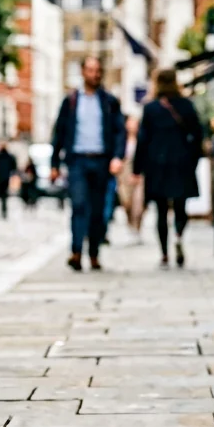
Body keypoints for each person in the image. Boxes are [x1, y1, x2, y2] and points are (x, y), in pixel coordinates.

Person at [51, 56, 127, 272]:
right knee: (79, 205)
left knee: (97, 209)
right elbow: (59, 132)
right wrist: (54, 163)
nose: (94, 74)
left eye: (97, 70)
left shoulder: (109, 102)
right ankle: (76, 251)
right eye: (90, 70)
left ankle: (93, 252)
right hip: (77, 161)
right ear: (83, 72)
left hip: (102, 161)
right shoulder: (71, 101)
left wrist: (117, 157)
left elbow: (119, 131)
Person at [134, 69, 205, 268]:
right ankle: (179, 235)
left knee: (161, 210)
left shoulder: (150, 109)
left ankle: (165, 253)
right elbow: (198, 134)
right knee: (181, 207)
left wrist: (137, 169)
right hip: (182, 163)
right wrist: (194, 159)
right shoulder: (186, 106)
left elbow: (143, 140)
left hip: (157, 165)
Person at [119, 115, 147, 242]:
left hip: (139, 173)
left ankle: (137, 228)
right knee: (126, 202)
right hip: (124, 173)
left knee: (138, 203)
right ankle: (130, 224)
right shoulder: (122, 140)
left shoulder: (141, 139)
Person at [0, 142, 18, 219]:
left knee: (2, 194)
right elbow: (13, 166)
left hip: (1, 177)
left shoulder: (0, 156)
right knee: (3, 194)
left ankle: (3, 209)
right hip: (5, 177)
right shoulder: (9, 157)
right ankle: (4, 209)